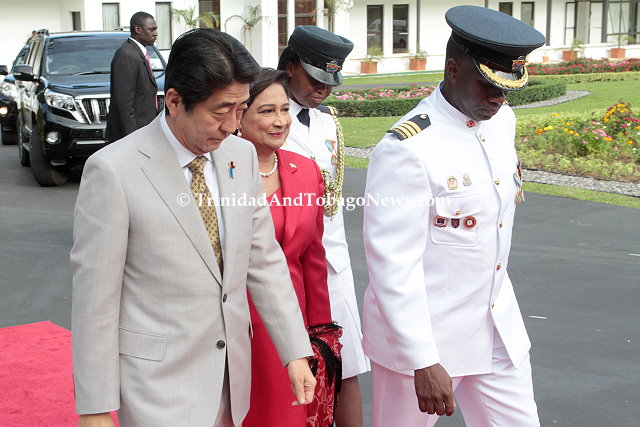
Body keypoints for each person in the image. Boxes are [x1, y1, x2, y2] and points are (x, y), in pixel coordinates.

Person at [71, 29, 316, 427]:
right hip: (156, 389)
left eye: (241, 108)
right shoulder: (114, 170)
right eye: (221, 110)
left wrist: (294, 352)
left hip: (231, 381)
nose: (232, 125)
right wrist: (95, 406)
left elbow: (264, 260)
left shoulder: (240, 156)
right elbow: (95, 298)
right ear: (175, 101)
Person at [362, 5, 545, 427]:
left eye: (507, 88)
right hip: (427, 340)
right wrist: (422, 359)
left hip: (496, 325)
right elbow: (393, 265)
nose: (498, 98)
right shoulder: (408, 148)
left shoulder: (501, 121)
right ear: (453, 69)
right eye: (489, 85)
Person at [278, 25, 370, 427]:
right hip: (286, 264)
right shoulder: (261, 114)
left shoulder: (328, 122)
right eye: (315, 78)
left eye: (330, 81)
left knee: (347, 365)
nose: (323, 89)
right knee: (293, 371)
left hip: (333, 263)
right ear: (290, 66)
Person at [239, 68, 341, 427]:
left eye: (284, 109)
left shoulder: (307, 171)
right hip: (234, 325)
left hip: (289, 325)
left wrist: (321, 333)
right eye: (267, 111)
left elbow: (314, 258)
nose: (281, 121)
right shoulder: (217, 173)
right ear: (238, 116)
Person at [105, 11, 159, 143]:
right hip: (134, 135)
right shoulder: (127, 55)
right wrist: (132, 139)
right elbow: (124, 104)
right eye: (151, 29)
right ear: (138, 29)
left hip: (145, 130)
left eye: (155, 29)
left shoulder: (138, 52)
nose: (155, 33)